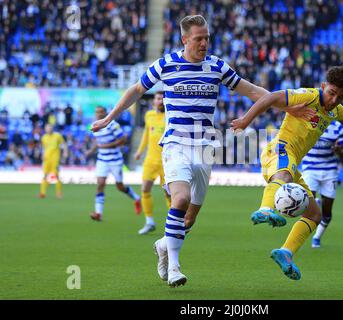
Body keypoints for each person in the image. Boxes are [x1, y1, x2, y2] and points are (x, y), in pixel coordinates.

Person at [91, 15, 309, 287]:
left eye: (207, 38)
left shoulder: (217, 66)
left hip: (205, 147)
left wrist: (288, 106)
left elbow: (252, 91)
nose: (204, 43)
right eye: (198, 38)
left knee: (189, 219)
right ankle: (174, 267)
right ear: (185, 39)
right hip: (176, 145)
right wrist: (110, 117)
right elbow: (136, 90)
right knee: (179, 200)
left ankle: (162, 245)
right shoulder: (167, 64)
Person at [231, 66, 343, 280]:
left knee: (315, 214)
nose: (334, 99)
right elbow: (271, 98)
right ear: (324, 86)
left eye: (340, 97)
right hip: (280, 149)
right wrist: (245, 121)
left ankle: (286, 253)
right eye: (332, 93)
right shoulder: (309, 96)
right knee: (284, 175)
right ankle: (266, 209)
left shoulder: (335, 111)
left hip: (294, 163)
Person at [86, 106, 141, 222]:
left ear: (105, 113)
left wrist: (107, 146)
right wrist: (91, 150)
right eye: (97, 112)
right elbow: (97, 141)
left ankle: (136, 198)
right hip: (102, 159)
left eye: (101, 112)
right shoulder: (94, 125)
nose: (99, 114)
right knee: (100, 184)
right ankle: (98, 213)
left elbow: (123, 140)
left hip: (115, 160)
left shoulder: (112, 125)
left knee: (120, 187)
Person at [300, 120, 343, 248]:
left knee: (327, 213)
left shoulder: (337, 127)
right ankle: (315, 201)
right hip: (310, 168)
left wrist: (338, 150)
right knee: (307, 205)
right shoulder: (309, 122)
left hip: (329, 171)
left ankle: (317, 237)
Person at [134, 92, 171, 235]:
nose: (160, 100)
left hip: (166, 161)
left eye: (162, 98)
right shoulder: (149, 115)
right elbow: (146, 134)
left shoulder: (170, 116)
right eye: (158, 98)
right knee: (144, 189)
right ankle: (149, 221)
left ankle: (174, 223)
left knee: (168, 194)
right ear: (154, 101)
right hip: (150, 160)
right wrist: (139, 151)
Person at [39, 124, 68, 199]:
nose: (49, 129)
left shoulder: (57, 136)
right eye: (47, 128)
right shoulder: (44, 137)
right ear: (45, 129)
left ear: (52, 129)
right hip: (46, 160)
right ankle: (42, 193)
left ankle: (58, 193)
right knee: (45, 175)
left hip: (55, 160)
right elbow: (43, 147)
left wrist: (65, 152)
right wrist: (42, 154)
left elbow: (64, 144)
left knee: (57, 176)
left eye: (50, 128)